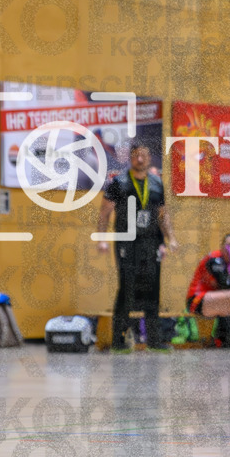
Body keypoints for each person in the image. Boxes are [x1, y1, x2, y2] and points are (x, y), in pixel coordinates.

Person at [97, 142, 177, 353]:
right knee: (127, 288)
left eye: (143, 155)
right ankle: (118, 340)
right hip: (126, 241)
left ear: (149, 157)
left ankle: (153, 340)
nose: (139, 159)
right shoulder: (119, 182)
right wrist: (102, 239)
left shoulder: (157, 184)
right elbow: (104, 213)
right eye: (135, 156)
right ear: (130, 158)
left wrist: (171, 238)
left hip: (150, 242)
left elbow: (163, 215)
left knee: (152, 288)